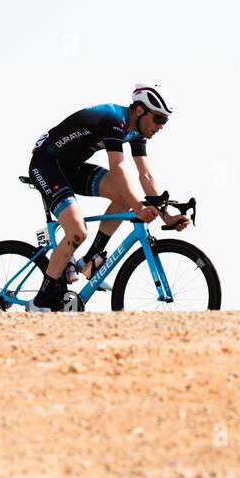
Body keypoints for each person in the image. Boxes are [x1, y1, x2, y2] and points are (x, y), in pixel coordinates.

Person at [25, 84, 189, 312]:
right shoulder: (115, 120)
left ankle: (90, 260)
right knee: (77, 232)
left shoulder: (137, 132)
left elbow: (146, 175)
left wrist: (166, 217)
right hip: (47, 164)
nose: (161, 126)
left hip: (72, 168)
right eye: (159, 118)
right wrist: (139, 209)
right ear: (140, 110)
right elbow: (118, 168)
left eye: (165, 121)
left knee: (123, 197)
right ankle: (39, 303)